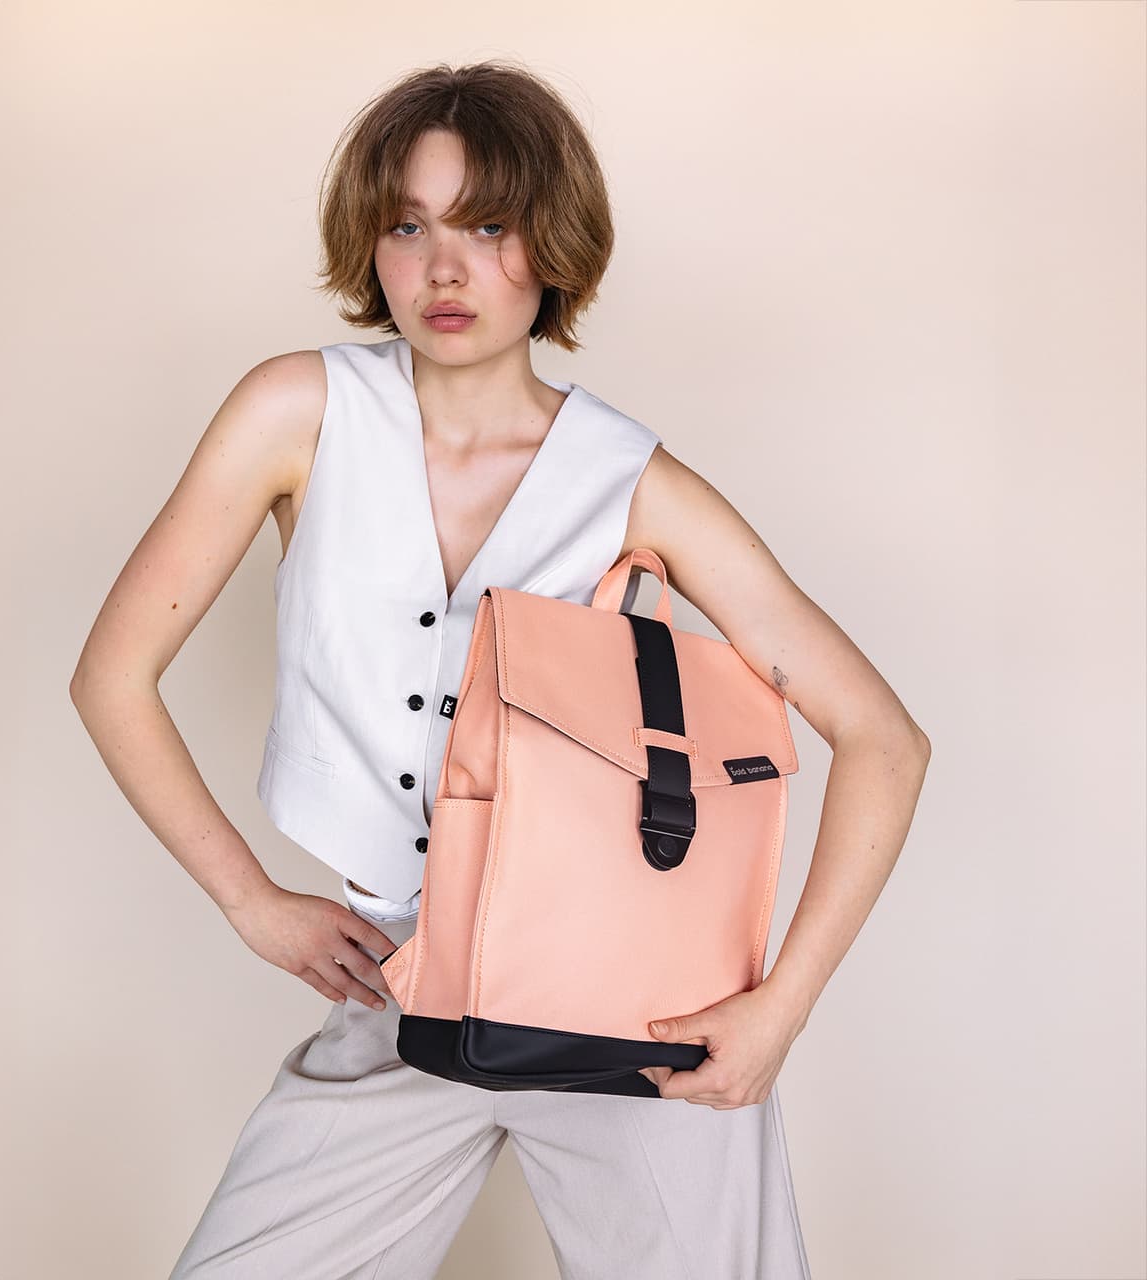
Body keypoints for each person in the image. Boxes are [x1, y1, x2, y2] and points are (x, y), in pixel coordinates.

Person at [70, 59, 931, 1280]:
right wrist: (249, 897)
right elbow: (112, 675)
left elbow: (884, 739)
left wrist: (777, 1005)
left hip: (630, 1009)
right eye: (406, 225)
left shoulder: (631, 482)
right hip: (395, 986)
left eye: (488, 226)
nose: (444, 268)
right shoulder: (294, 413)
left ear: (553, 244)